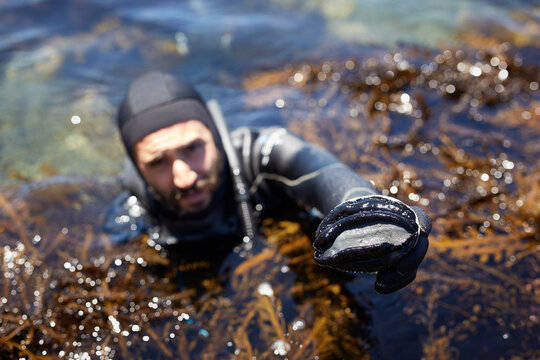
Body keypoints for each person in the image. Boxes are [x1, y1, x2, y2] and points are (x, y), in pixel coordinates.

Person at [104, 71, 431, 294]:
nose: (185, 177)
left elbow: (319, 169)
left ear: (215, 137)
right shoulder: (133, 206)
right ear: (138, 168)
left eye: (193, 148)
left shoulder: (257, 154)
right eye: (157, 162)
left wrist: (364, 207)